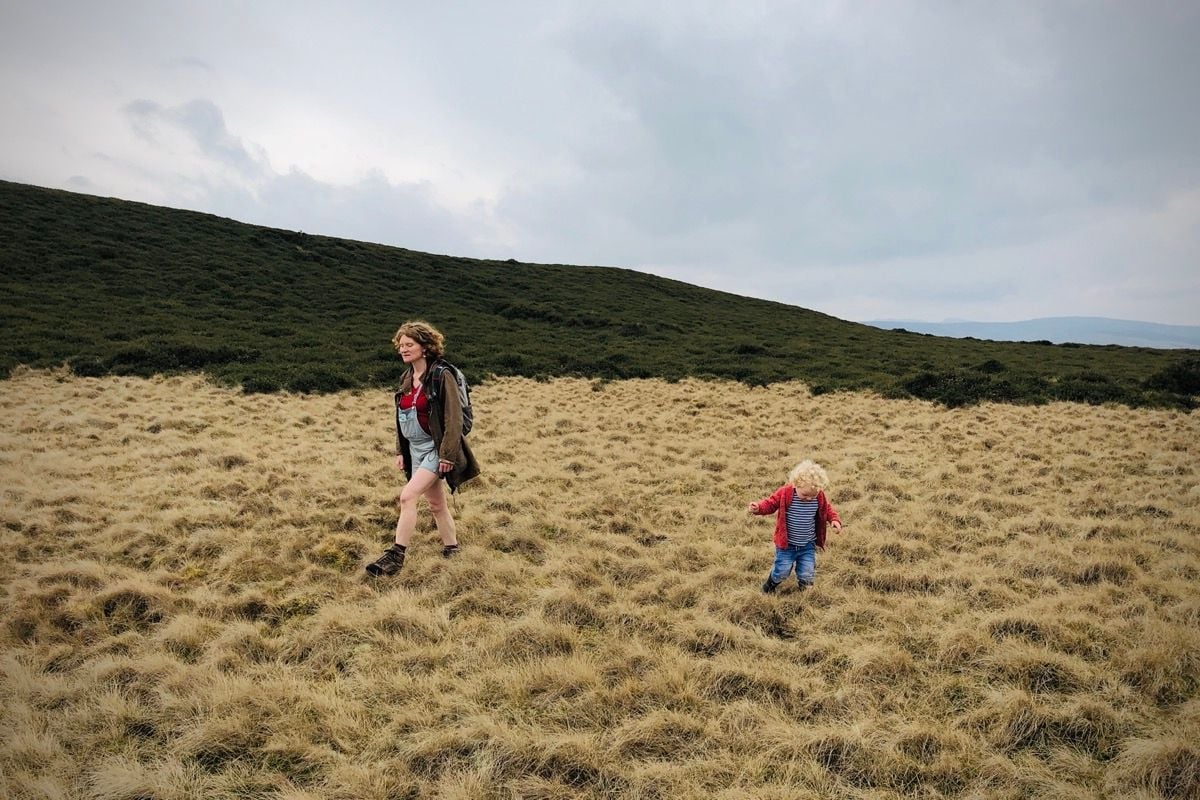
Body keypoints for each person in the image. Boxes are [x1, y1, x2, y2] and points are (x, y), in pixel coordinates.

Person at [366, 320, 480, 577]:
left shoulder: (442, 375)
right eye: (401, 345)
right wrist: (400, 451)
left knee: (407, 497)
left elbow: (454, 418)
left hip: (435, 449)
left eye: (409, 344)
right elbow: (399, 417)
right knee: (437, 504)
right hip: (414, 450)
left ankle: (395, 556)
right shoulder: (407, 377)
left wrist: (447, 455)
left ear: (425, 347)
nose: (403, 349)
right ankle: (452, 549)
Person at [748, 459, 843, 593]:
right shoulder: (786, 493)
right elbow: (771, 503)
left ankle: (805, 590)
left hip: (807, 544)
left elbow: (826, 509)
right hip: (787, 545)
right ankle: (769, 586)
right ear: (795, 484)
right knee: (782, 570)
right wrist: (758, 508)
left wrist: (834, 519)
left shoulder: (819, 496)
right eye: (805, 495)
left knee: (807, 571)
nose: (809, 499)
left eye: (813, 495)